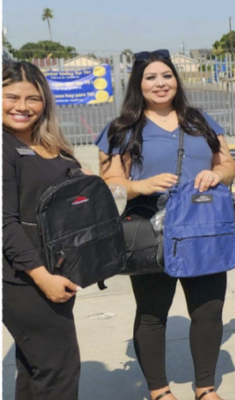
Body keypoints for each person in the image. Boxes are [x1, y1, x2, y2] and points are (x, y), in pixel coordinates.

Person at [97, 49, 235, 400]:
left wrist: (216, 173)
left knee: (208, 311)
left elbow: (229, 166)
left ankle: (205, 388)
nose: (160, 83)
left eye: (166, 76)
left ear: (176, 79)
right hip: (152, 230)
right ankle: (159, 390)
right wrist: (139, 185)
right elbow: (110, 183)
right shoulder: (124, 129)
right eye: (151, 78)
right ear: (138, 85)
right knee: (153, 313)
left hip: (203, 229)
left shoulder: (200, 121)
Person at [3, 61, 83, 400]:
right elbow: (4, 223)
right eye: (11, 96)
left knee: (36, 371)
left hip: (56, 269)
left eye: (32, 98)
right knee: (59, 372)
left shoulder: (50, 144)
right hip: (24, 279)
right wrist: (41, 276)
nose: (22, 107)